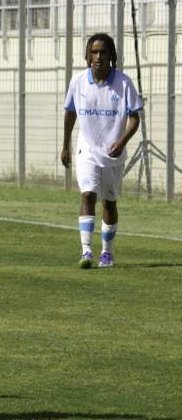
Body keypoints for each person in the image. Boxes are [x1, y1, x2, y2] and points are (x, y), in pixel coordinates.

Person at [61, 33, 143, 269]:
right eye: (94, 52)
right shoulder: (78, 82)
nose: (98, 57)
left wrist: (122, 141)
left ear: (111, 56)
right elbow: (69, 113)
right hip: (86, 151)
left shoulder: (124, 83)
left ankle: (107, 252)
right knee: (87, 194)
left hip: (113, 155)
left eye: (103, 52)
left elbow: (134, 118)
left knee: (109, 202)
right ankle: (86, 251)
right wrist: (65, 145)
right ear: (88, 56)